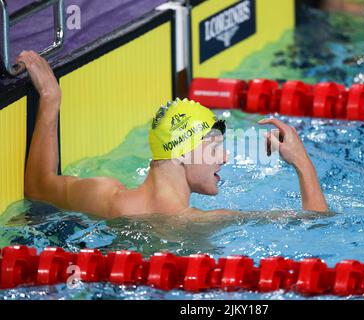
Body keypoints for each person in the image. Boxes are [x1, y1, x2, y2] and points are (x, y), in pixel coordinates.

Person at [20, 51, 328, 220]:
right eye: (213, 148)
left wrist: (50, 98)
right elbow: (317, 223)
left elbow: (37, 186)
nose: (225, 157)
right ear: (181, 152)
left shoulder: (106, 198)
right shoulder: (198, 222)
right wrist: (301, 161)